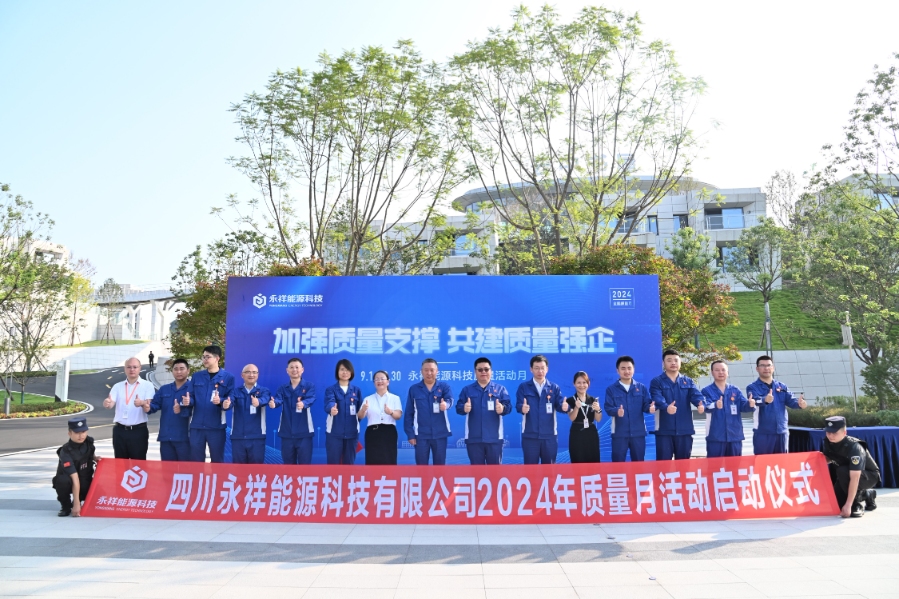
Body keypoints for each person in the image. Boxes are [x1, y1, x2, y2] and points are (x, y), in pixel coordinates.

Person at [650, 349, 705, 460]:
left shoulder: (688, 381)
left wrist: (701, 404)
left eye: (676, 360)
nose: (673, 363)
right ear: (663, 363)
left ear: (680, 362)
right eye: (669, 360)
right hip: (664, 430)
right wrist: (666, 407)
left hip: (684, 429)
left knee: (684, 464)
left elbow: (696, 395)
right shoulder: (657, 381)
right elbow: (657, 397)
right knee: (664, 465)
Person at [182, 345, 234, 463]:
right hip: (197, 426)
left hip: (216, 427)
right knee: (196, 461)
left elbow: (231, 399)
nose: (205, 359)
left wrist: (222, 402)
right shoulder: (197, 376)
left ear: (217, 358)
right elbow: (191, 396)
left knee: (217, 461)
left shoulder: (228, 377)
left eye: (208, 357)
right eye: (203, 357)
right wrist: (188, 401)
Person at [746, 355, 807, 455]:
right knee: (763, 462)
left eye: (769, 365)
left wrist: (800, 404)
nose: (766, 368)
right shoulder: (752, 387)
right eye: (762, 365)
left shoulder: (781, 386)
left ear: (773, 368)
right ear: (757, 369)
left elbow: (792, 401)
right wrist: (765, 400)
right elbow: (754, 401)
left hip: (781, 432)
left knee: (782, 462)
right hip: (763, 433)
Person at [456, 357, 511, 465]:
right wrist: (464, 408)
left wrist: (503, 408)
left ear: (491, 371)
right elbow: (458, 407)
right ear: (475, 372)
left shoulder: (500, 389)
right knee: (476, 472)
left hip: (494, 439)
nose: (483, 372)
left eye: (486, 369)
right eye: (480, 370)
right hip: (474, 439)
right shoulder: (467, 390)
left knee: (495, 472)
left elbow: (508, 406)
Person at [822, 416, 880, 518]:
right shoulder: (829, 442)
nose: (830, 435)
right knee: (837, 503)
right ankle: (867, 494)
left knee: (842, 471)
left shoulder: (854, 447)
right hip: (845, 476)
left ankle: (855, 504)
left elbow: (855, 477)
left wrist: (849, 505)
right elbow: (830, 457)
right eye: (828, 432)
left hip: (867, 476)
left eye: (834, 433)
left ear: (844, 432)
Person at [516, 355, 567, 464]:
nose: (540, 371)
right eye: (536, 368)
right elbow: (518, 405)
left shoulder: (554, 388)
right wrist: (522, 408)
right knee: (530, 470)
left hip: (549, 437)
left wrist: (564, 407)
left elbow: (560, 405)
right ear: (531, 369)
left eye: (542, 368)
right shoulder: (524, 387)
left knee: (549, 470)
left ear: (547, 369)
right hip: (530, 437)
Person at [604, 356, 655, 462]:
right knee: (618, 465)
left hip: (638, 433)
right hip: (619, 434)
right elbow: (608, 408)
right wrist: (617, 411)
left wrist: (650, 408)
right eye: (623, 368)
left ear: (633, 370)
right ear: (617, 370)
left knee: (639, 464)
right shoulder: (611, 389)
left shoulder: (641, 388)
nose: (626, 371)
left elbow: (646, 405)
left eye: (629, 368)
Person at [404, 358, 454, 465]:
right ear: (421, 371)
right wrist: (410, 434)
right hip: (421, 435)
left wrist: (446, 405)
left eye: (432, 370)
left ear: (437, 371)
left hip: (440, 434)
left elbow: (450, 400)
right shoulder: (414, 389)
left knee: (439, 467)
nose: (429, 373)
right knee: (421, 467)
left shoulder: (444, 387)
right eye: (426, 370)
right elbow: (409, 413)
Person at [701, 360, 756, 458]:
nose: (720, 372)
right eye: (717, 370)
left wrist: (750, 404)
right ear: (712, 372)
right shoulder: (706, 391)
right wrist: (715, 405)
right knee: (715, 465)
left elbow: (744, 406)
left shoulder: (735, 390)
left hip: (735, 435)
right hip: (715, 436)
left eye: (723, 370)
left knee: (735, 465)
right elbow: (705, 406)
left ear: (727, 372)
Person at [103, 357, 155, 459]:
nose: (132, 369)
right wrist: (107, 403)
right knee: (120, 464)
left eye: (135, 367)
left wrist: (142, 403)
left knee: (138, 464)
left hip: (138, 431)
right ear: (125, 369)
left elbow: (149, 406)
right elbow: (110, 403)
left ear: (140, 368)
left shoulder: (147, 385)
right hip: (120, 431)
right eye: (129, 367)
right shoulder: (117, 386)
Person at [53, 417, 102, 517]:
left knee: (99, 491)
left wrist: (95, 458)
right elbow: (75, 478)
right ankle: (66, 506)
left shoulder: (89, 442)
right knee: (62, 481)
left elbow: (90, 453)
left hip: (85, 479)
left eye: (83, 432)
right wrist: (76, 504)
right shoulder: (65, 451)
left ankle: (82, 498)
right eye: (77, 433)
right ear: (69, 433)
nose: (81, 435)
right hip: (71, 480)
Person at [147, 357, 192, 461]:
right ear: (172, 371)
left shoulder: (193, 389)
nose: (178, 372)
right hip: (166, 438)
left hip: (185, 438)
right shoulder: (164, 389)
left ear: (188, 371)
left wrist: (184, 407)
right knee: (167, 469)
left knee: (186, 469)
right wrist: (147, 406)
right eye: (176, 369)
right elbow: (154, 405)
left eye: (182, 369)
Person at [275, 358, 317, 465]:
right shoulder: (283, 388)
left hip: (304, 434)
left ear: (302, 369)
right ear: (287, 370)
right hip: (287, 433)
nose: (294, 370)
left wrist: (304, 403)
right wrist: (273, 403)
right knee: (288, 467)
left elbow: (311, 398)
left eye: (297, 367)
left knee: (304, 467)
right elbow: (278, 400)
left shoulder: (309, 386)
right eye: (291, 367)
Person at [229, 364, 273, 464]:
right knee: (238, 470)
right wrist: (226, 404)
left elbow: (266, 399)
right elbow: (229, 402)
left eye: (254, 372)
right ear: (242, 375)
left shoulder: (264, 391)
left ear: (258, 375)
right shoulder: (235, 391)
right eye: (248, 372)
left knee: (256, 470)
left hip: (257, 437)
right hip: (238, 437)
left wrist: (259, 402)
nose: (251, 375)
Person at [324, 359, 363, 465]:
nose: (345, 372)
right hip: (334, 434)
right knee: (333, 465)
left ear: (351, 372)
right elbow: (329, 402)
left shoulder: (356, 390)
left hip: (352, 434)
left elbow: (359, 412)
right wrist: (332, 409)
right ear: (337, 372)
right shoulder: (331, 389)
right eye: (342, 369)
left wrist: (364, 410)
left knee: (349, 465)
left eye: (347, 370)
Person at [360, 370, 403, 465]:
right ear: (374, 382)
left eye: (382, 379)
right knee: (372, 461)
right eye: (377, 379)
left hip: (389, 432)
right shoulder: (368, 399)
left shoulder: (395, 398)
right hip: (372, 432)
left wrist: (391, 412)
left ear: (388, 381)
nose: (379, 381)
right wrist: (363, 409)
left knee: (389, 460)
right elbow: (360, 416)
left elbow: (398, 416)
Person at [565, 371, 602, 463]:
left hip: (591, 433)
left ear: (588, 383)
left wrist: (598, 410)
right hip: (576, 433)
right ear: (574, 384)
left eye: (584, 382)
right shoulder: (570, 400)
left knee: (593, 461)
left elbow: (598, 419)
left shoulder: (593, 400)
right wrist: (576, 407)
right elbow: (572, 418)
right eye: (579, 383)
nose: (582, 385)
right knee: (577, 460)